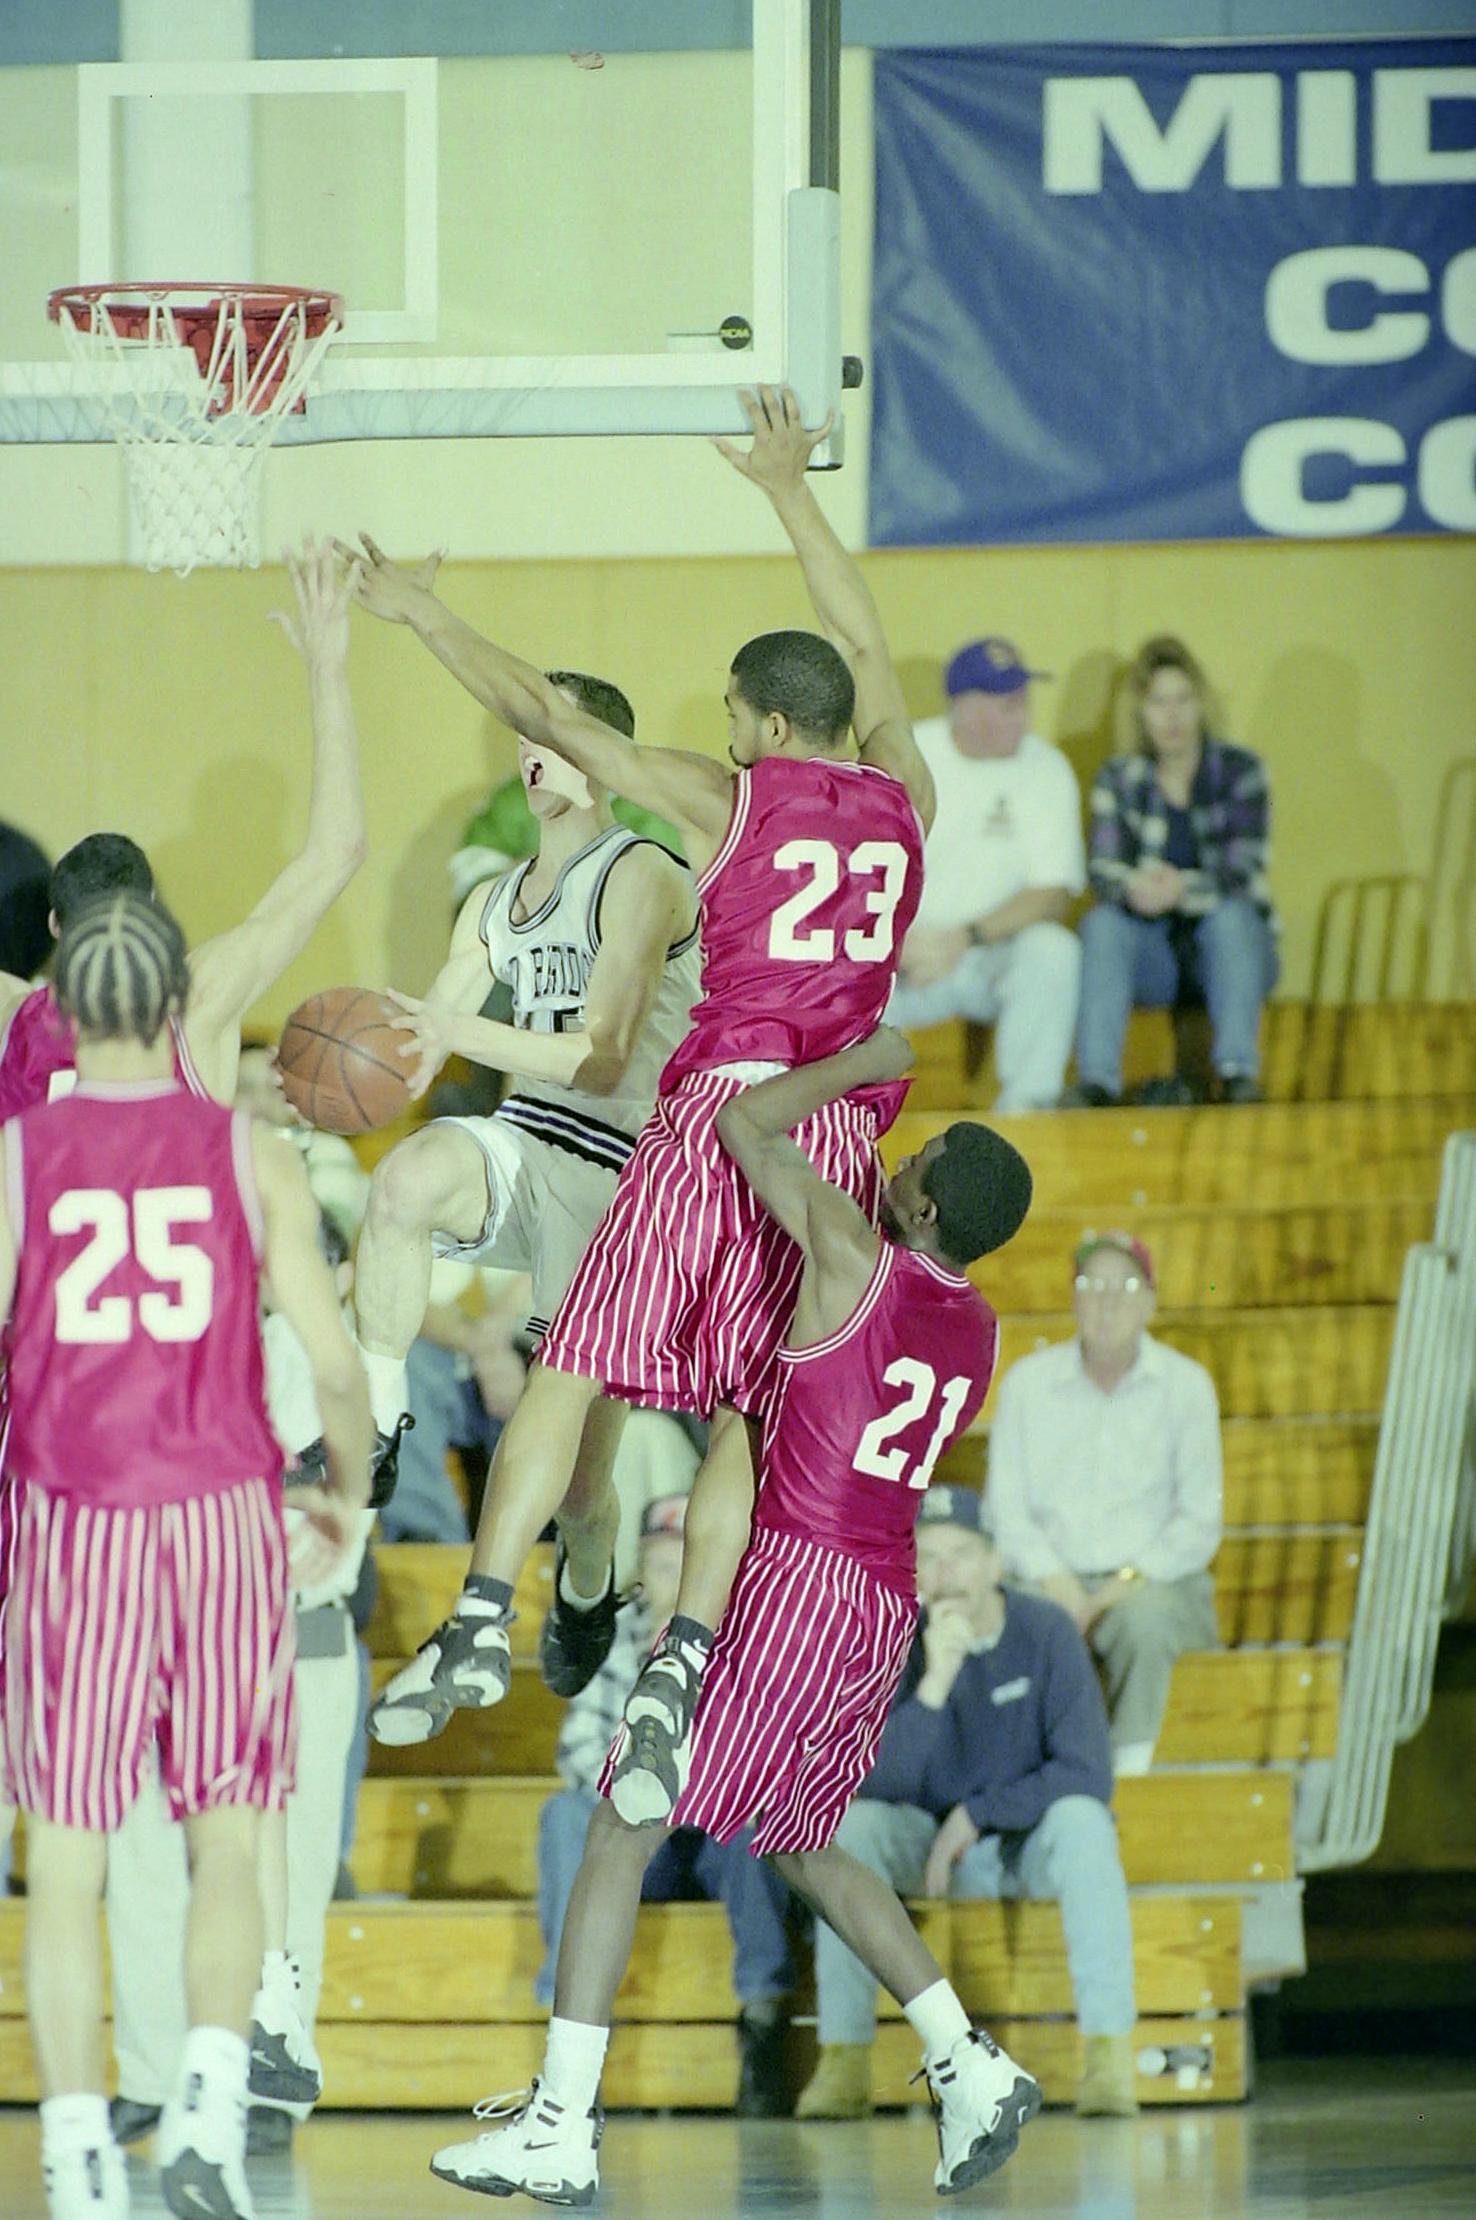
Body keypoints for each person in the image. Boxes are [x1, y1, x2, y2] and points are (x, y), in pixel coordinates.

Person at [354, 385, 935, 1804]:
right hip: (836, 1139)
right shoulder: (905, 795)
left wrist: (424, 617)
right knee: (746, 1409)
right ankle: (681, 1667)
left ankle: (482, 1617)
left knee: (573, 1364)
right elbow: (864, 640)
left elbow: (548, 713)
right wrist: (790, 491)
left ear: (762, 722)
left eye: (732, 714)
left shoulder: (729, 799)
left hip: (719, 1117)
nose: (722, 732)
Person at [425, 1028, 1036, 2208]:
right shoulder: (981, 1329)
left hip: (797, 1581)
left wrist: (858, 1067)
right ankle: (969, 2065)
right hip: (878, 1602)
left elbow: (741, 1124)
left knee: (621, 1819)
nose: (895, 1157)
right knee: (800, 1840)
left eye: (913, 1160)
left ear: (920, 1208)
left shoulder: (853, 1254)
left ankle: (560, 2123)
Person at [0, 892, 371, 2220]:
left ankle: (76, 2150)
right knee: (229, 1839)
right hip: (222, 1521)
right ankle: (210, 2111)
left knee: (71, 1858)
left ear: (60, 1010)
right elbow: (336, 1366)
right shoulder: (246, 1149)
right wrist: (346, 1496)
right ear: (174, 1006)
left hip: (76, 1520)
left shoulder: (18, 1156)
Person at [0, 542, 369, 1873]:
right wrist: (327, 664)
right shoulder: (203, 998)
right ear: (154, 920)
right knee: (220, 1783)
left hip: (55, 1419)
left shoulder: (14, 1014)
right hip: (206, 1413)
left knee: (70, 1788)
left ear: (53, 929)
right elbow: (335, 852)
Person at [312, 653, 700, 1704]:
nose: (534, 756)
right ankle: (379, 1419)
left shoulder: (646, 875)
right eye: (525, 738)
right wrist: (358, 1063)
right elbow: (426, 1034)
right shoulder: (494, 899)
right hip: (528, 1139)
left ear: (602, 758)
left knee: (580, 1486)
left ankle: (587, 1579)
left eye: (555, 738)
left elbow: (604, 1059)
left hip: (630, 1181)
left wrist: (458, 1031)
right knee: (404, 1181)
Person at [104, 1210, 379, 2160]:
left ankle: (271, 2085)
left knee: (289, 1872)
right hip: (169, 1633)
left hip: (298, 1640)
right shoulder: (197, 1345)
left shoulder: (350, 1364)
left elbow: (311, 1511)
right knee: (143, 1860)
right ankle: (151, 2077)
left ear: (340, 1274)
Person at [798, 1485, 1138, 2124]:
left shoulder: (1045, 1631)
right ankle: (844, 2061)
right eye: (928, 1557)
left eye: (961, 1554)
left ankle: (1108, 2056)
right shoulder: (891, 1638)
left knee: (1086, 1824)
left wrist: (978, 1815)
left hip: (1019, 1840)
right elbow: (868, 1780)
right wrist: (934, 1684)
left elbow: (1087, 1772)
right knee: (848, 1829)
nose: (946, 1573)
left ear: (994, 1563)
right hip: (924, 1842)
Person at [535, 1492, 793, 2116]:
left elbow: (765, 1756)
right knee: (565, 1816)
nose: (678, 1581)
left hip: (715, 1830)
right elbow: (578, 1755)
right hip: (634, 1831)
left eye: (691, 1564)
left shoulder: (750, 1638)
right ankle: (571, 2031)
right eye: (664, 1565)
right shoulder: (618, 1637)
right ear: (642, 1576)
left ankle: (764, 2019)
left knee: (757, 1824)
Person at [985, 1231, 1223, 1774]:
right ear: (1073, 1298)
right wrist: (1058, 1582)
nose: (1108, 1302)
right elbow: (1007, 1513)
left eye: (1126, 1287)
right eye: (1093, 1286)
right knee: (1022, 1621)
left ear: (1150, 1302)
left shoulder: (1187, 1387)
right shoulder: (1027, 1385)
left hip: (1151, 1581)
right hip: (1049, 1577)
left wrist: (1119, 1586)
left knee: (1146, 1624)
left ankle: (1132, 1775)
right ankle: (1024, 1776)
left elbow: (1198, 1522)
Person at [1069, 635, 1278, 1107]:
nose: (1173, 716)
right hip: (1154, 954)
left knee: (1230, 919)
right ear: (1140, 713)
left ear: (1201, 704)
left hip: (1234, 955)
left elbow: (1243, 870)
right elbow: (1103, 868)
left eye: (1183, 700)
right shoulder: (1119, 777)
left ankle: (1237, 1074)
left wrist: (1180, 888)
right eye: (1159, 703)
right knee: (1102, 924)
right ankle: (1096, 1083)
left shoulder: (1241, 771)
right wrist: (1137, 888)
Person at [887, 639, 1084, 1112]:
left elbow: (1053, 892)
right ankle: (841, 1120)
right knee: (831, 973)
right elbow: (856, 865)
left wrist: (965, 938)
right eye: (1009, 706)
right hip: (901, 957)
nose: (1024, 719)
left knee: (1054, 950)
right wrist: (892, 944)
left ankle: (1027, 1108)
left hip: (986, 953)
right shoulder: (907, 759)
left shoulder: (1045, 767)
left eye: (1024, 704)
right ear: (967, 708)